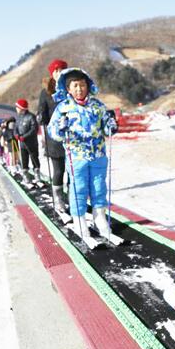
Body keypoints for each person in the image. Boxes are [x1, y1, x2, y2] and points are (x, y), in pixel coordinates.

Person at [48, 68, 118, 242]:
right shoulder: (63, 108)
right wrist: (60, 128)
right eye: (75, 86)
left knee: (99, 187)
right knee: (78, 188)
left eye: (83, 85)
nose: (79, 89)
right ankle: (79, 219)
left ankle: (99, 216)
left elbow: (107, 129)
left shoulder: (98, 106)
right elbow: (52, 131)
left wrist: (111, 125)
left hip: (98, 154)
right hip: (77, 156)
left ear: (88, 86)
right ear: (68, 89)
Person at [39, 59, 69, 212]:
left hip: (72, 136)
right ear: (52, 73)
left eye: (61, 70)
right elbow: (42, 113)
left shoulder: (71, 88)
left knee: (73, 171)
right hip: (55, 137)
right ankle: (58, 198)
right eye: (56, 71)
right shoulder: (46, 92)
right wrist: (40, 117)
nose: (59, 73)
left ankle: (73, 196)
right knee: (59, 170)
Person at [15, 99, 41, 183]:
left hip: (31, 143)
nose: (16, 108)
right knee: (24, 160)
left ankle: (37, 174)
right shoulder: (18, 118)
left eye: (17, 107)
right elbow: (15, 128)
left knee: (34, 159)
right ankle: (25, 175)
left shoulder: (31, 116)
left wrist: (25, 136)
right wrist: (16, 135)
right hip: (22, 144)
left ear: (21, 108)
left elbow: (34, 129)